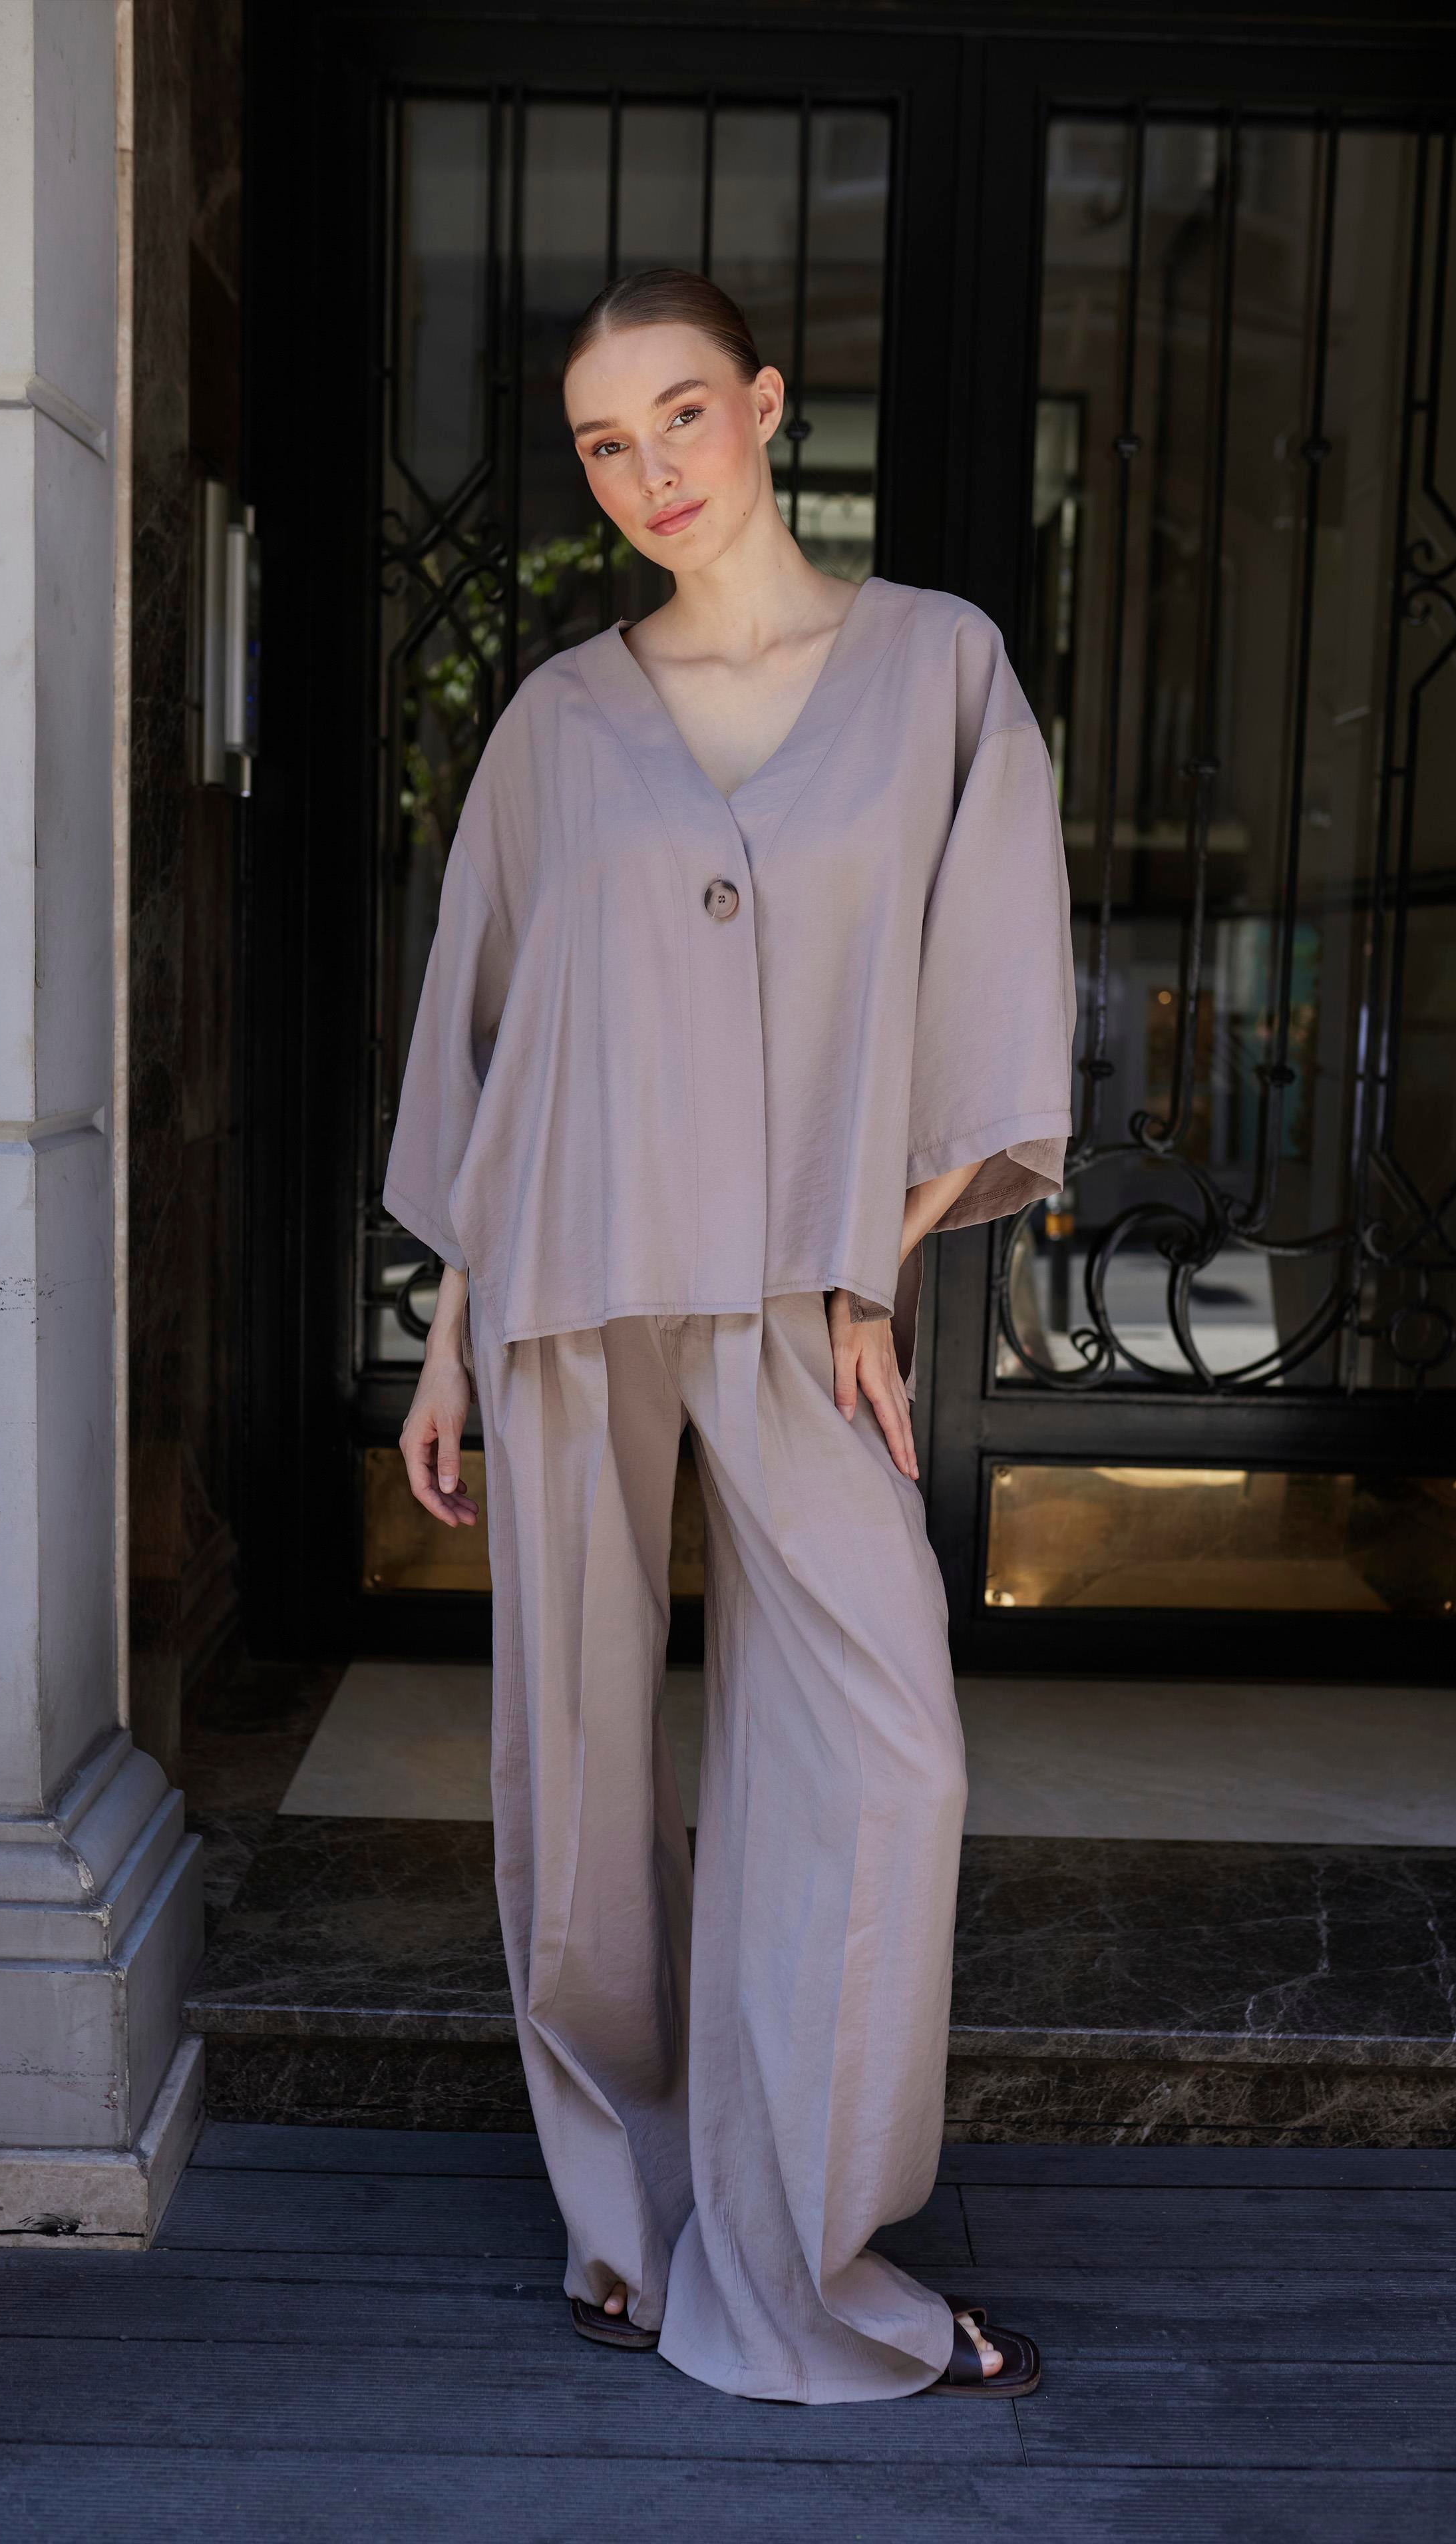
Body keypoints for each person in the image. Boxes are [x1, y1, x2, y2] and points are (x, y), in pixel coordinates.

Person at [387, 267, 1074, 2404]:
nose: (649, 471)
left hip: (799, 1305)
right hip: (570, 1282)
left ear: (766, 406)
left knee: (885, 1757)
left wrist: (882, 1257)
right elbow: (492, 1036)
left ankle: (804, 2245)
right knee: (581, 1773)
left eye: (680, 414)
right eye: (605, 444)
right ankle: (628, 2213)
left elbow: (993, 975)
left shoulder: (940, 667)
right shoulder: (555, 723)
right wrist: (447, 1330)